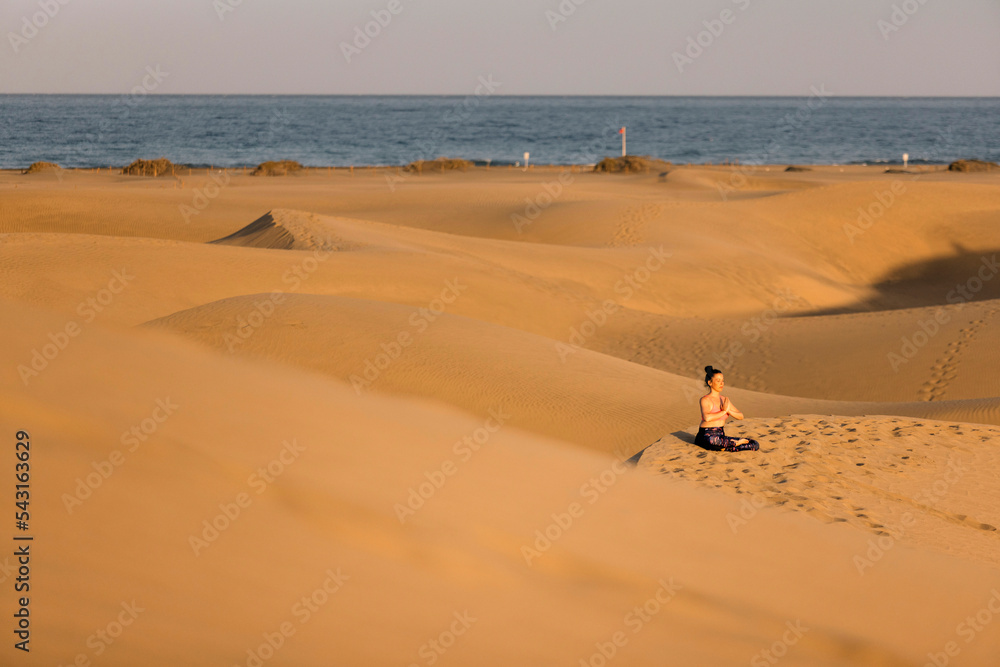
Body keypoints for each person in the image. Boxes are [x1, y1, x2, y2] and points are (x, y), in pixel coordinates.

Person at [696, 366, 760, 452]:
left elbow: (740, 416)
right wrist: (724, 411)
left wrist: (728, 410)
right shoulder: (705, 399)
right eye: (718, 381)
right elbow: (707, 417)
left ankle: (728, 446)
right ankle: (733, 444)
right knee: (715, 441)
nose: (721, 383)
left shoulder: (724, 400)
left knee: (754, 444)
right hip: (706, 436)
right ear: (710, 382)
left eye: (722, 381)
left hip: (721, 436)